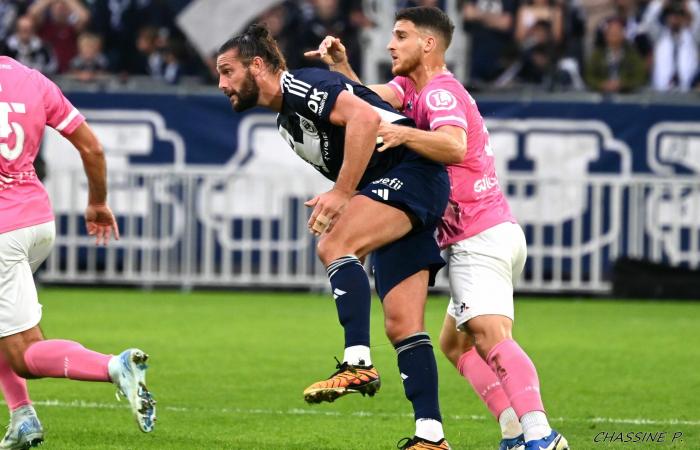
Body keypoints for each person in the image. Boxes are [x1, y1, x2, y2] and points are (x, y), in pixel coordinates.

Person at [305, 6, 569, 450]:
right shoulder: (412, 88)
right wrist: (340, 68)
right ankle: (513, 432)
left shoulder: (440, 93)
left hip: (477, 235)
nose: (391, 44)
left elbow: (453, 144)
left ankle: (542, 436)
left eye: (401, 35)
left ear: (428, 44)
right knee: (457, 345)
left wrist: (406, 137)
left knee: (488, 336)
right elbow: (364, 102)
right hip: (490, 231)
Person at [216, 24, 451, 450]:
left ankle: (357, 362)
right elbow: (369, 106)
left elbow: (364, 117)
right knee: (402, 324)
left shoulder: (302, 83)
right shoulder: (287, 123)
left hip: (413, 175)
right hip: (399, 189)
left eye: (227, 71)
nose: (222, 84)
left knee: (334, 244)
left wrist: (343, 194)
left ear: (257, 65)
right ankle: (430, 436)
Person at [0, 56, 156, 449]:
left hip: (2, 231)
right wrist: (98, 203)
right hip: (37, 220)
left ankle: (114, 367)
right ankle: (22, 417)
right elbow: (92, 148)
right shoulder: (32, 80)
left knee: (24, 354)